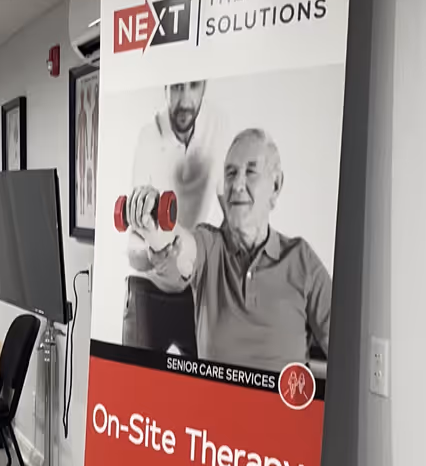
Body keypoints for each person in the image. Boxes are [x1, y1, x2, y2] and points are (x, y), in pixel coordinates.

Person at [131, 128, 330, 371]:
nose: (237, 184)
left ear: (275, 186)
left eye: (251, 172)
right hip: (216, 406)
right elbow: (180, 248)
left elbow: (346, 350)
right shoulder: (210, 245)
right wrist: (155, 224)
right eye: (231, 173)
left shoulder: (301, 259)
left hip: (281, 407)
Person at [122, 80, 218, 355]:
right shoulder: (148, 138)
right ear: (164, 89)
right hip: (149, 286)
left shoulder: (220, 128)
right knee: (133, 388)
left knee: (205, 392)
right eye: (176, 87)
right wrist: (156, 252)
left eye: (193, 86)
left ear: (205, 87)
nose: (185, 100)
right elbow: (134, 243)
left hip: (196, 290)